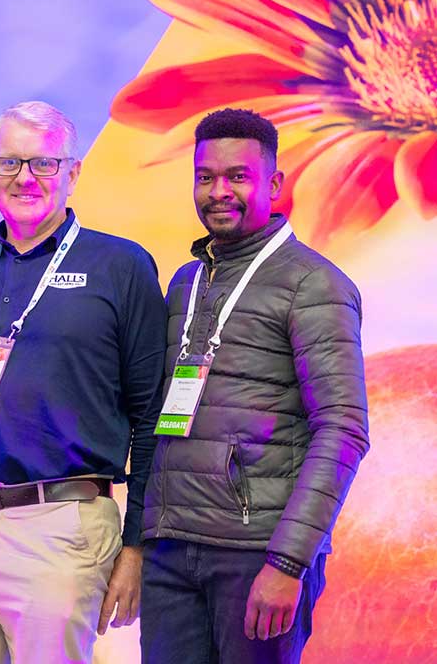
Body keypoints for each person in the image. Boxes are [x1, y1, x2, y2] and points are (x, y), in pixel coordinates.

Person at [0, 101, 167, 664]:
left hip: (61, 524)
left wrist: (138, 545)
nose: (25, 178)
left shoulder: (121, 267)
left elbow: (154, 415)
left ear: (73, 173)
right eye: (9, 163)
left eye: (44, 164)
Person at [140, 108, 370, 664]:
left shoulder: (314, 283)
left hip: (255, 555)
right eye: (205, 177)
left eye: (237, 177)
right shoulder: (188, 279)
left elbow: (343, 430)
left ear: (272, 183)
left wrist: (289, 562)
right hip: (172, 552)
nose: (219, 191)